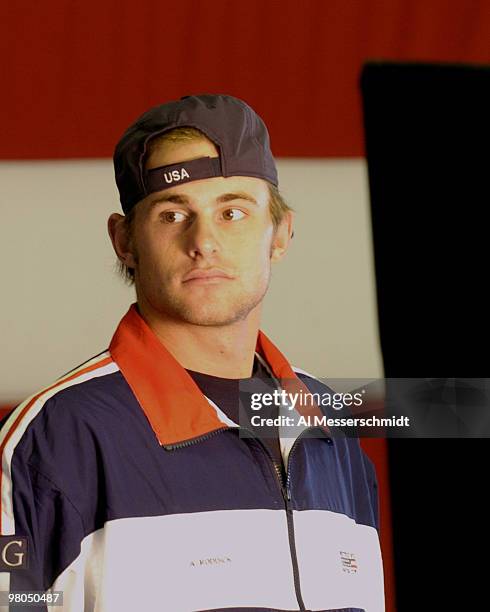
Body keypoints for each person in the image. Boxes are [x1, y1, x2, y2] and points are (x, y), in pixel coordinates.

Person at [0, 94, 384, 611]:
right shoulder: (51, 442)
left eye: (232, 212)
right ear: (124, 241)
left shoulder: (332, 435)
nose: (203, 241)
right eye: (172, 214)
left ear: (282, 234)